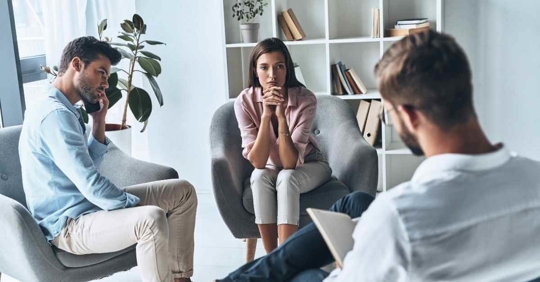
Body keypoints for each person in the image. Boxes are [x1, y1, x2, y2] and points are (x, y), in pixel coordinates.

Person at [217, 30, 540, 282]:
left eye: (388, 113)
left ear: (410, 117)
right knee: (355, 201)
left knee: (298, 275)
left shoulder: (399, 216)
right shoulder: (534, 179)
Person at [19, 36, 197, 282]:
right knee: (150, 219)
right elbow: (90, 183)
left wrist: (98, 121)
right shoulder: (55, 115)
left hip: (87, 207)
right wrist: (130, 204)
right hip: (69, 225)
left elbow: (85, 165)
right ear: (77, 64)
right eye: (101, 72)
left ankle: (179, 279)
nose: (105, 82)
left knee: (183, 192)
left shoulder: (64, 108)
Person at [234, 37, 332, 253]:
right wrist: (267, 116)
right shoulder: (244, 101)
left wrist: (281, 115)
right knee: (258, 176)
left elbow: (289, 163)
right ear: (255, 70)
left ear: (287, 69)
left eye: (279, 66)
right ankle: (272, 260)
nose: (272, 75)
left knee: (287, 178)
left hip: (310, 164)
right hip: (268, 167)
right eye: (264, 67)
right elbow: (258, 162)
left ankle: (284, 260)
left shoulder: (306, 99)